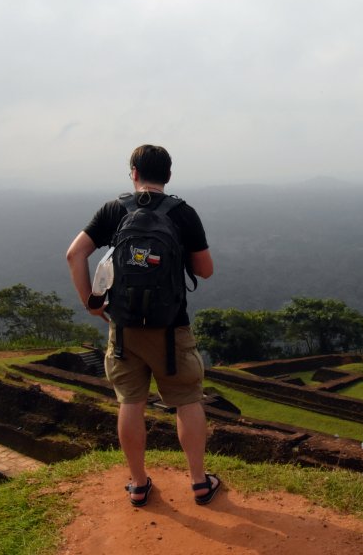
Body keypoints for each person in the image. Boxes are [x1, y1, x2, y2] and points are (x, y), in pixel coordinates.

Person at [66, 144, 221, 507]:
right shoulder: (183, 213)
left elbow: (74, 254)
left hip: (124, 328)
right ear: (168, 174)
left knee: (131, 402)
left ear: (133, 172)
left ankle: (138, 484)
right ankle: (199, 482)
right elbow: (205, 270)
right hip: (171, 329)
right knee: (187, 400)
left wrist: (91, 301)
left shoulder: (114, 210)